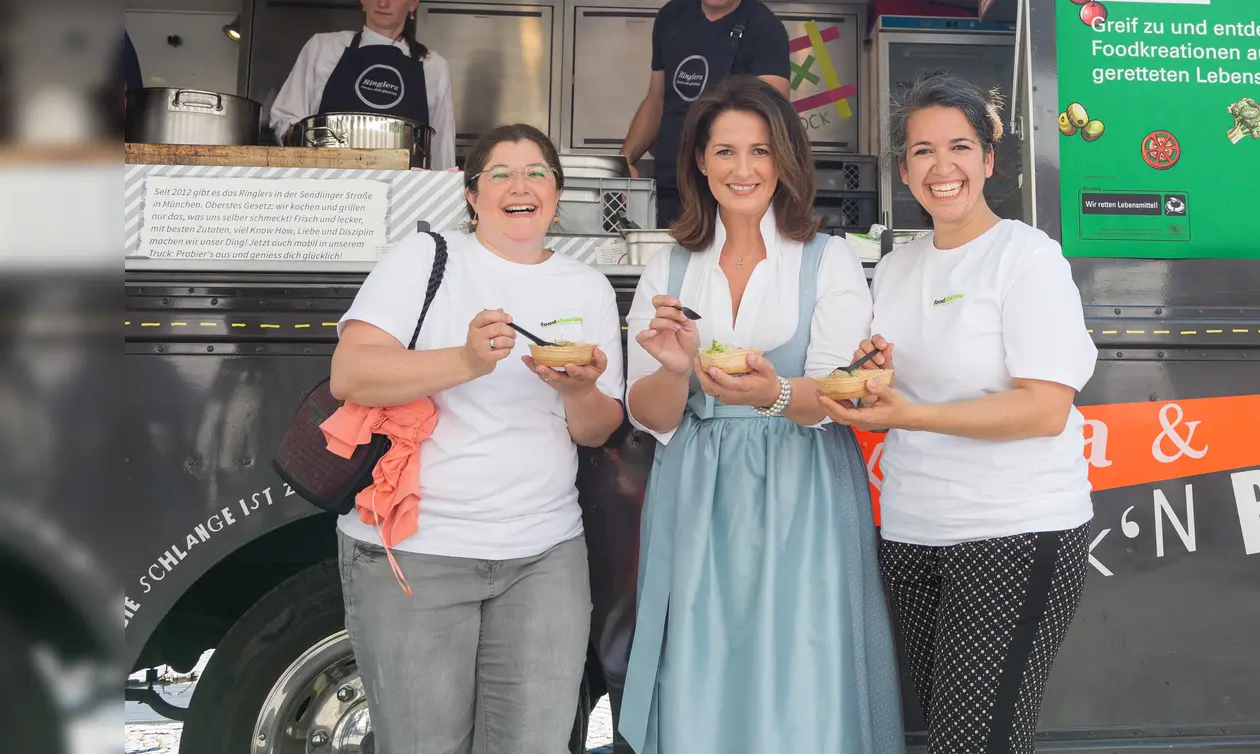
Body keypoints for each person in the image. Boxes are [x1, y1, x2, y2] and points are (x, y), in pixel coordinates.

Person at [618, 76, 903, 754]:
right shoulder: (669, 267)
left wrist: (775, 394)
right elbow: (649, 413)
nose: (742, 170)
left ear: (785, 160)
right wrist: (673, 368)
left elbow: (838, 396)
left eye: (759, 151)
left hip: (803, 483)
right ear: (699, 161)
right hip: (696, 488)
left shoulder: (828, 260)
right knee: (699, 661)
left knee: (804, 665)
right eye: (724, 152)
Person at [820, 72, 1098, 754]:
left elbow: (1042, 410)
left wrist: (910, 415)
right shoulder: (895, 269)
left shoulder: (1026, 258)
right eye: (922, 151)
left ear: (989, 159)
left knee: (971, 744)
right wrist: (868, 386)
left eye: (960, 147)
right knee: (944, 738)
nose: (942, 167)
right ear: (904, 168)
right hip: (915, 533)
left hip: (1015, 533)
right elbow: (896, 400)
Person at [328, 123, 624, 753]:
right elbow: (350, 374)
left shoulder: (586, 287)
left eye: (537, 173)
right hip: (417, 552)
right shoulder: (426, 259)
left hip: (544, 556)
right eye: (501, 174)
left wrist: (576, 390)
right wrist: (465, 359)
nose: (521, 187)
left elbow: (597, 429)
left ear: (557, 190)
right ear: (471, 195)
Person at [618, 0, 791, 225]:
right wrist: (625, 160)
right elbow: (656, 100)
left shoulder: (765, 29)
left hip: (729, 190)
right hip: (669, 187)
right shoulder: (671, 18)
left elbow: (772, 118)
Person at [271, 0, 457, 168]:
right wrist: (305, 138)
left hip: (402, 196)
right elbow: (285, 119)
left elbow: (441, 149)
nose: (383, 3)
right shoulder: (323, 48)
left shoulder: (432, 66)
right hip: (327, 189)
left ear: (413, 2)